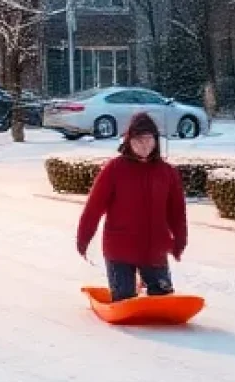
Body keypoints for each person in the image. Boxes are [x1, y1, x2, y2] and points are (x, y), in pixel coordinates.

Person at [76, 111, 187, 301]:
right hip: (120, 249)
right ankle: (129, 286)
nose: (144, 145)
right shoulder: (114, 169)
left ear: (155, 141)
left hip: (155, 250)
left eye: (148, 139)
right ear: (129, 142)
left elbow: (177, 212)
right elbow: (94, 207)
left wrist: (179, 241)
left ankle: (145, 283)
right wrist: (83, 238)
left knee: (162, 299)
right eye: (138, 140)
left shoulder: (167, 172)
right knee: (124, 298)